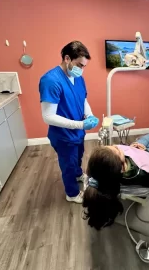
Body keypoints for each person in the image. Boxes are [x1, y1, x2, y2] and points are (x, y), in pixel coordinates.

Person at [39, 41, 99, 204]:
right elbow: (48, 116)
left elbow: (83, 99)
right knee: (68, 165)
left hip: (78, 133)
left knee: (78, 157)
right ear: (67, 58)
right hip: (64, 136)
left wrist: (89, 114)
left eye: (84, 66)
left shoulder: (78, 77)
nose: (82, 69)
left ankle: (79, 174)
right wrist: (80, 124)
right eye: (79, 64)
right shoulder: (51, 80)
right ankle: (72, 194)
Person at [83, 119, 149, 230]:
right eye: (117, 149)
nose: (116, 146)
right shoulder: (144, 173)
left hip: (134, 152)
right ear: (122, 166)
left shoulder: (104, 172)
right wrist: (144, 152)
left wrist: (132, 149)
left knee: (143, 140)